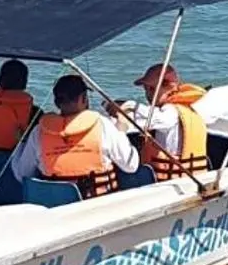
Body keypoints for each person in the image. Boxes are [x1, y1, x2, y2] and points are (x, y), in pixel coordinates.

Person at [11, 73, 139, 195]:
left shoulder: (39, 131)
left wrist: (21, 143)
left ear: (56, 103)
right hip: (97, 206)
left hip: (56, 206)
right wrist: (121, 129)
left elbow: (22, 175)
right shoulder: (103, 125)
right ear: (83, 98)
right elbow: (130, 166)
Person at [123, 62, 211, 180]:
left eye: (152, 89)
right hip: (193, 177)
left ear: (170, 87)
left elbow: (156, 119)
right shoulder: (187, 109)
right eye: (146, 89)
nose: (148, 94)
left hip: (174, 183)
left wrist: (130, 106)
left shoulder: (170, 111)